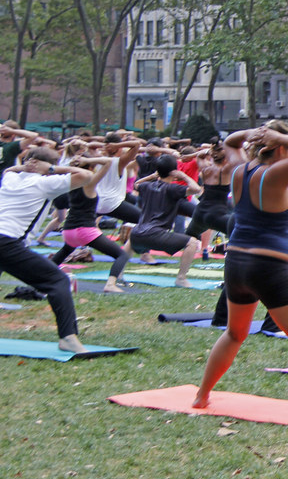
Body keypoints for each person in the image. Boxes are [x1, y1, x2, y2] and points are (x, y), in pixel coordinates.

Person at [193, 124, 288, 422]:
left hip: (236, 265)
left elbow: (231, 140)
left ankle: (201, 395)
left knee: (235, 333)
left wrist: (259, 132)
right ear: (280, 148)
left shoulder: (238, 171)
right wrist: (279, 136)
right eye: (287, 148)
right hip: (268, 267)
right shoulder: (272, 175)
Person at [0, 147, 92, 351]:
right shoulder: (45, 183)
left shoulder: (10, 179)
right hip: (6, 241)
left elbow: (8, 170)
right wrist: (51, 168)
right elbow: (86, 175)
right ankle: (68, 337)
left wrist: (24, 165)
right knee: (58, 281)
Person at [49, 153, 130, 292]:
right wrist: (87, 159)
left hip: (68, 231)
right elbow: (108, 162)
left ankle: (42, 275)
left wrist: (78, 163)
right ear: (91, 167)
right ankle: (110, 284)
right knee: (122, 255)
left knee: (64, 251)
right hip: (84, 230)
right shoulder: (89, 183)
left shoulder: (70, 182)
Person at [130, 154, 202, 287]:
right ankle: (181, 278)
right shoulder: (172, 189)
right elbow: (196, 189)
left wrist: (152, 176)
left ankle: (117, 275)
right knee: (192, 243)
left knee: (131, 239)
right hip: (155, 235)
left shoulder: (147, 186)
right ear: (174, 172)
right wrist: (184, 176)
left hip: (137, 235)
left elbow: (136, 184)